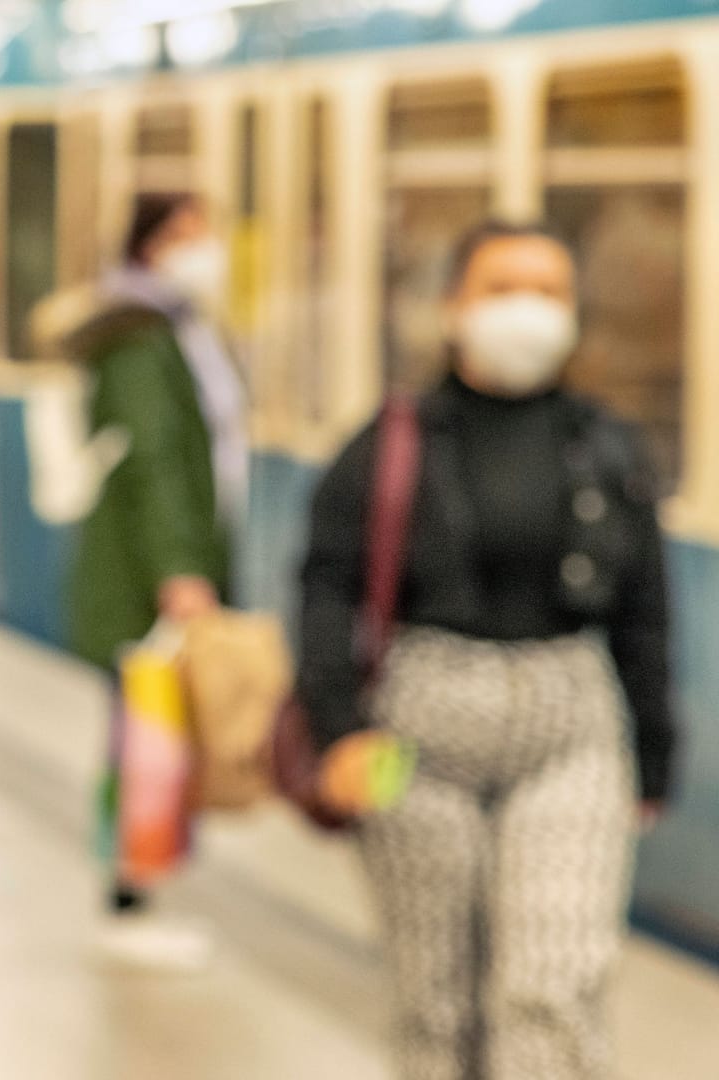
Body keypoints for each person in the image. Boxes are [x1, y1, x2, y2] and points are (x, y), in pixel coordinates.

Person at [297, 221, 677, 1080]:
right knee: (436, 999)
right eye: (503, 289)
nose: (528, 312)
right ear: (452, 308)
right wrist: (335, 728)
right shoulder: (390, 442)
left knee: (552, 983)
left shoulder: (609, 445)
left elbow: (645, 612)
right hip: (415, 731)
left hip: (568, 725)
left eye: (549, 294)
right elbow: (326, 585)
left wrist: (653, 753)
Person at [62, 192, 247, 966]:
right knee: (145, 743)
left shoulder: (177, 327)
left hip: (157, 569)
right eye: (184, 235)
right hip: (145, 577)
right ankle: (130, 899)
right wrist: (180, 570)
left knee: (149, 739)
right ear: (148, 246)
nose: (203, 250)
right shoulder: (140, 338)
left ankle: (139, 889)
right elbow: (154, 463)